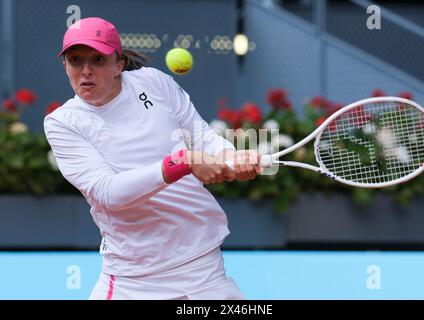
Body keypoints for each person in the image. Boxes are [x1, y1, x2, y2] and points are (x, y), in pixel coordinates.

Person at [44, 17, 261, 300]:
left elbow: (201, 135)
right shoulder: (63, 123)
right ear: (65, 65)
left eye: (98, 59)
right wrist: (183, 162)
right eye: (75, 60)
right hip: (132, 280)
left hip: (202, 269)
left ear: (118, 64)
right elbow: (108, 193)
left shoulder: (155, 82)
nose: (85, 71)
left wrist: (230, 155)